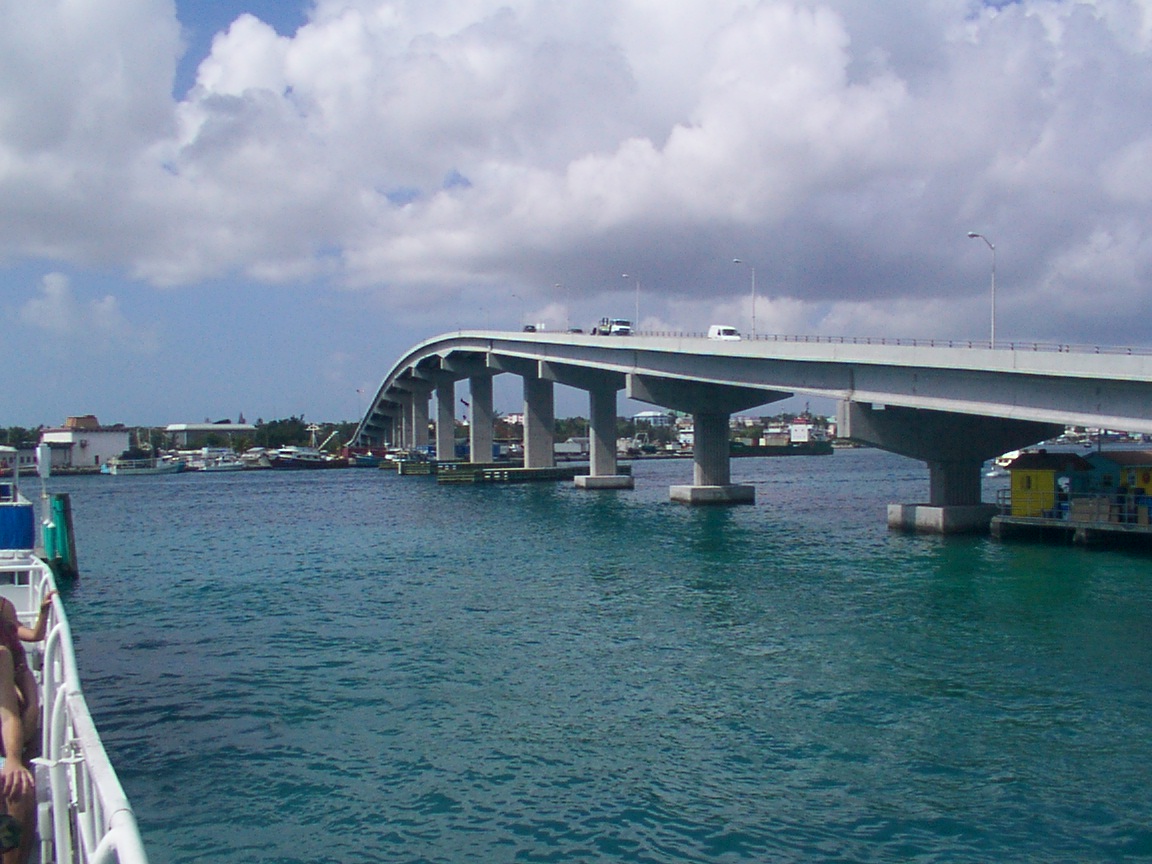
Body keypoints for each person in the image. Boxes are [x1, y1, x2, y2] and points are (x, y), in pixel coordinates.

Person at [0, 589, 56, 864]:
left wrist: (12, 759)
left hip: (14, 698)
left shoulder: (2, 655)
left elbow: (8, 714)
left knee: (19, 788)